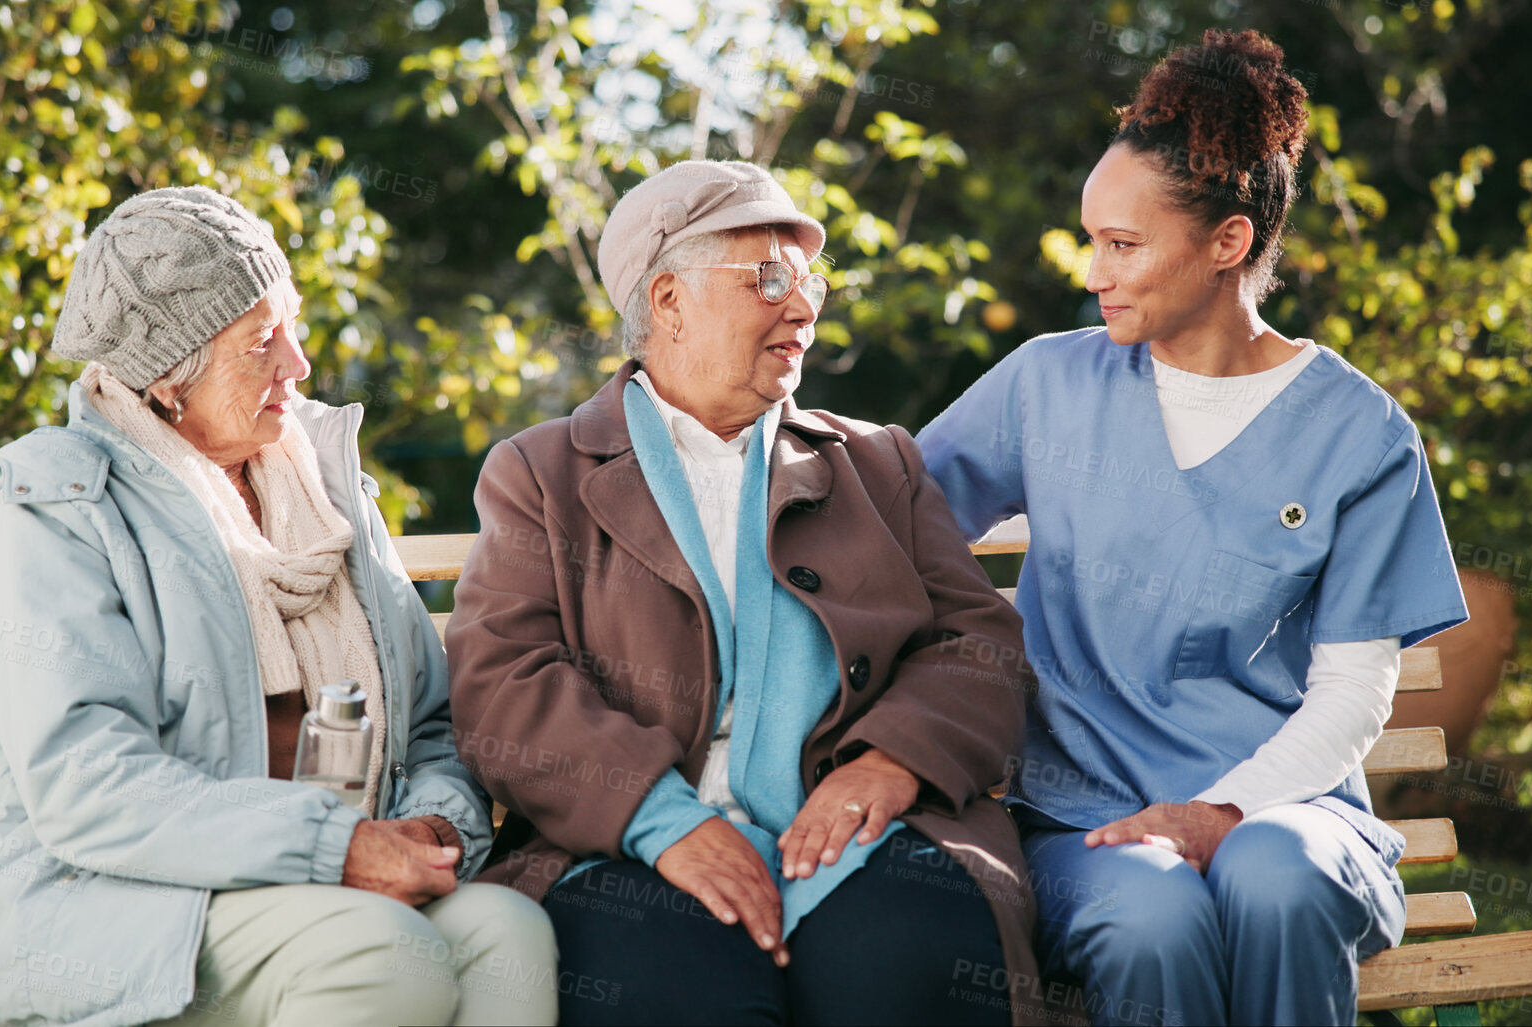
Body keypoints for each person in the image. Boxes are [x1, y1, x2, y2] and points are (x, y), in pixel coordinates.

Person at [918, 30, 1470, 1027]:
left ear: (1229, 242)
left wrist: (1222, 812)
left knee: (1275, 875)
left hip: (1292, 811)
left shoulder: (1359, 431)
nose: (1097, 271)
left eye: (1123, 244)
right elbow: (888, 521)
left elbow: (1353, 692)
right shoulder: (1047, 385)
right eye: (1091, 239)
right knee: (1153, 921)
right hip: (1083, 820)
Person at [0, 186, 557, 1027]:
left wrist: (436, 828)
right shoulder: (55, 500)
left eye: (291, 328)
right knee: (381, 956)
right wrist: (332, 848)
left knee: (506, 933)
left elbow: (431, 724)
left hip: (315, 888)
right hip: (111, 906)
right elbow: (88, 785)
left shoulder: (321, 488)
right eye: (261, 342)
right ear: (167, 374)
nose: (297, 365)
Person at [445, 160, 1043, 1025]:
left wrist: (891, 761)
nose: (801, 307)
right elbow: (503, 684)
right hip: (628, 844)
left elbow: (976, 645)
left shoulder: (877, 462)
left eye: (809, 281)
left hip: (861, 833)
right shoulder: (540, 473)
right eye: (767, 278)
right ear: (667, 301)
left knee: (905, 967)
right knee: (665, 992)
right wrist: (662, 820)